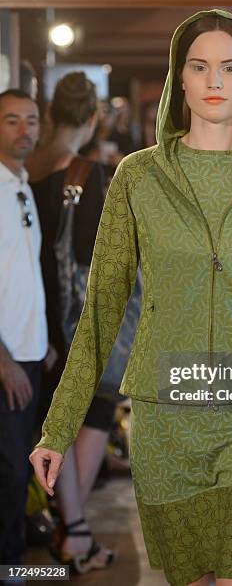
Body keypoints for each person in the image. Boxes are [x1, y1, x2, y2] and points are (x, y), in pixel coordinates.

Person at [30, 9, 232, 586]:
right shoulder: (137, 178)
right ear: (178, 79)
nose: (215, 82)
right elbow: (101, 312)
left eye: (230, 67)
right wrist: (58, 428)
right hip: (169, 413)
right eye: (200, 66)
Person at [26, 72, 116, 573]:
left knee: (54, 424)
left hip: (32, 316)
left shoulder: (24, 167)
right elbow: (91, 255)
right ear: (94, 117)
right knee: (98, 411)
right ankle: (74, 531)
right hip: (75, 318)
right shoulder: (87, 172)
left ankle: (72, 530)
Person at [0, 89, 48, 568]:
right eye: (12, 120)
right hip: (6, 360)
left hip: (30, 352)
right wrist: (5, 360)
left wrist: (43, 340)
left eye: (31, 121)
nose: (23, 130)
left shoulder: (23, 184)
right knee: (10, 473)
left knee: (19, 475)